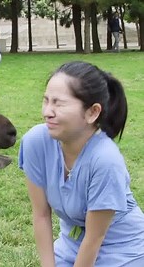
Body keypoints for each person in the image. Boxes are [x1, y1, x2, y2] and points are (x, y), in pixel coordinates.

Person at [19, 61, 144, 267]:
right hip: (72, 244)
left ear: (92, 112)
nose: (47, 111)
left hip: (124, 249)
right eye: (46, 101)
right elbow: (41, 214)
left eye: (58, 103)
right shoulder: (36, 142)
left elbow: (95, 238)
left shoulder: (105, 160)